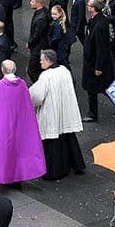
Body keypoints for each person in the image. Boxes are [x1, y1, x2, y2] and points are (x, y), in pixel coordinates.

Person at [0, 59, 46, 184]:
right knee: (18, 150)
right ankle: (17, 177)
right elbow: (27, 104)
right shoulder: (22, 84)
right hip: (19, 124)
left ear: (2, 70)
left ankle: (0, 177)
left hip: (3, 125)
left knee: (1, 151)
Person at [29, 49, 85, 180]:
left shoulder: (46, 76)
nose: (40, 62)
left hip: (51, 111)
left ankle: (54, 171)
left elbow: (37, 96)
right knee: (68, 137)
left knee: (52, 142)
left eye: (42, 60)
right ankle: (76, 164)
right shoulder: (64, 70)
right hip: (64, 109)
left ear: (48, 61)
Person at [81, 0, 113, 122]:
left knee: (92, 88)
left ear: (93, 9)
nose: (87, 7)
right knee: (101, 87)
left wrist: (98, 67)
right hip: (91, 60)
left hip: (94, 63)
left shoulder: (100, 25)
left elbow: (101, 48)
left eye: (89, 5)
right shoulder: (96, 20)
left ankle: (92, 114)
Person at [25, 0, 51, 82]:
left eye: (32, 1)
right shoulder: (43, 13)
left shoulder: (41, 19)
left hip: (39, 47)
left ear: (38, 3)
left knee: (32, 70)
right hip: (40, 45)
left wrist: (30, 43)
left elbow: (37, 35)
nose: (30, 3)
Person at [65, 0, 86, 64]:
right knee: (82, 40)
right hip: (75, 24)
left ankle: (65, 57)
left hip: (76, 25)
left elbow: (81, 15)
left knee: (69, 41)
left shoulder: (80, 1)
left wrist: (78, 27)